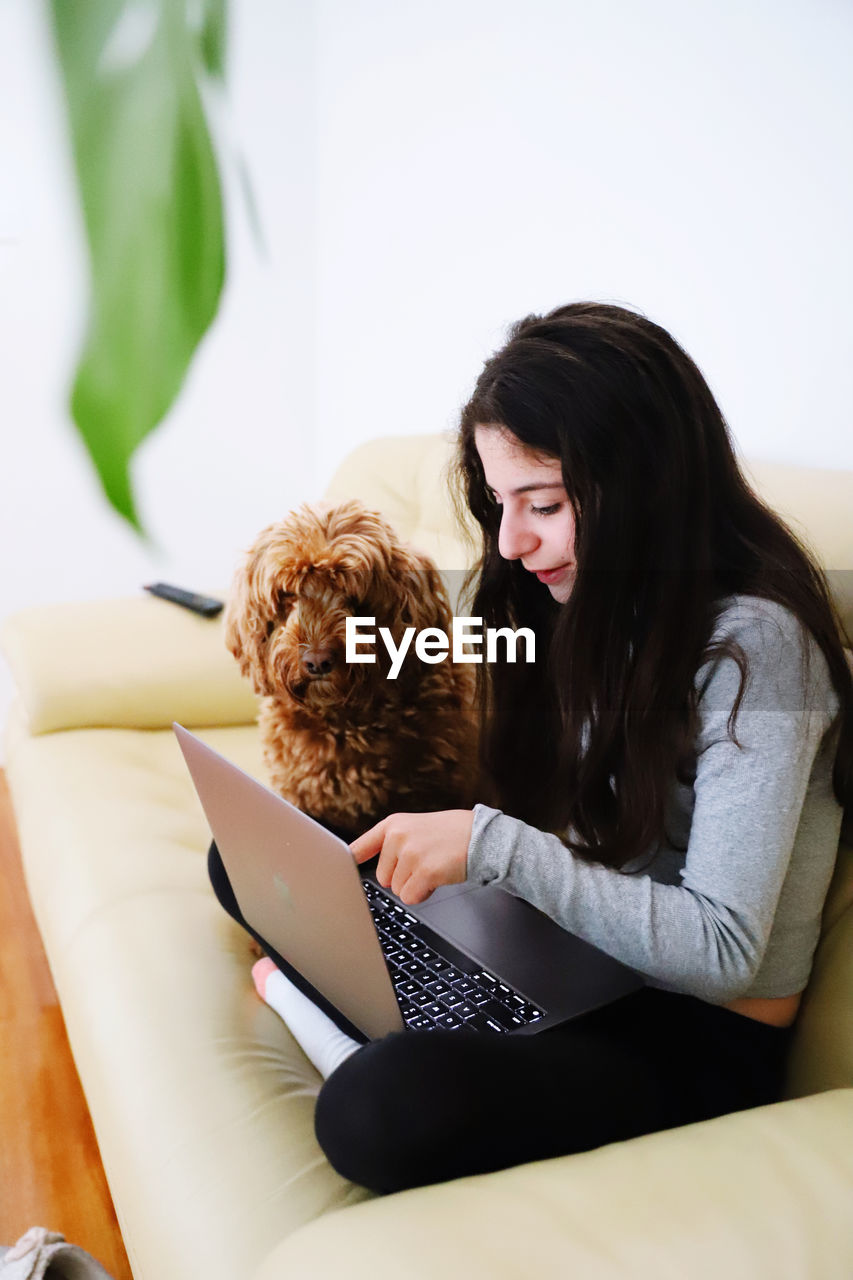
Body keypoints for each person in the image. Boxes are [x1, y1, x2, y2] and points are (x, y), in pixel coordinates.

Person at [211, 301, 853, 1195]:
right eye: (500, 504)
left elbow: (726, 948)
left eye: (542, 505)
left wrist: (492, 848)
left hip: (690, 1026)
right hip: (564, 947)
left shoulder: (759, 650)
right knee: (245, 852)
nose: (512, 543)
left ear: (644, 482)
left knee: (374, 1112)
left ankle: (329, 1007)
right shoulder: (577, 600)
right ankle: (389, 991)